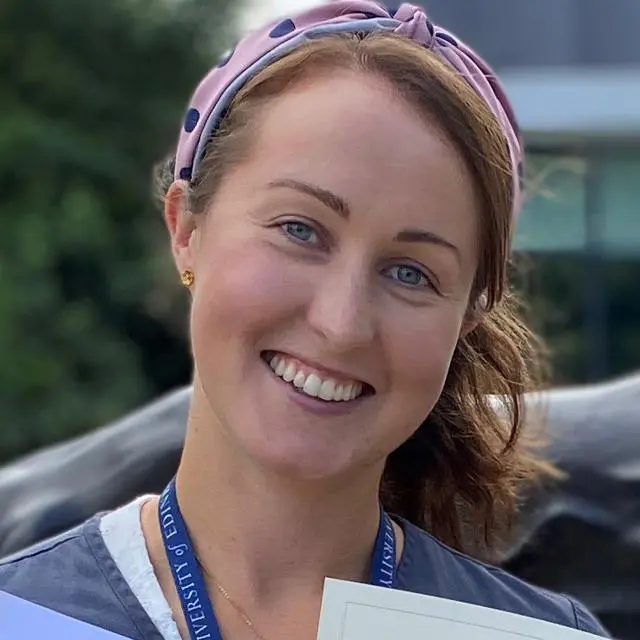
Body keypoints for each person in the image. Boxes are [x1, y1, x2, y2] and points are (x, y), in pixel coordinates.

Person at [0, 2, 609, 639]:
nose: (341, 323)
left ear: (466, 317)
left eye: (410, 272)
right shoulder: (25, 620)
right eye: (299, 230)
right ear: (187, 229)